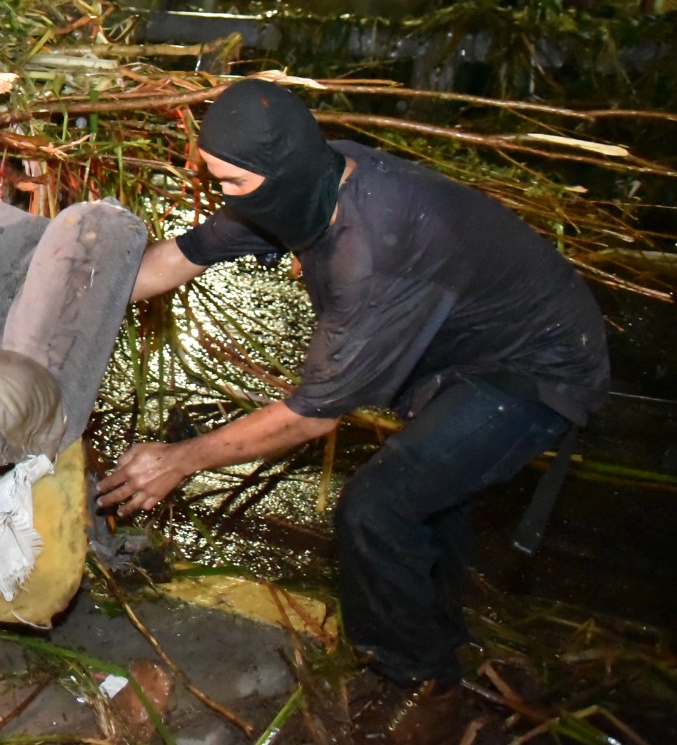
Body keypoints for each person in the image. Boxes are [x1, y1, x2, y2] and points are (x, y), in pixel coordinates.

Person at [98, 79, 608, 745]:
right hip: (459, 349)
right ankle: (443, 645)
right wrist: (79, 303)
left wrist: (180, 459)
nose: (219, 194)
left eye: (228, 181)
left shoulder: (371, 252)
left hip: (537, 367)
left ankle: (423, 690)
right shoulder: (299, 185)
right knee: (433, 500)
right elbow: (181, 257)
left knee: (378, 508)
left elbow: (313, 415)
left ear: (275, 179)